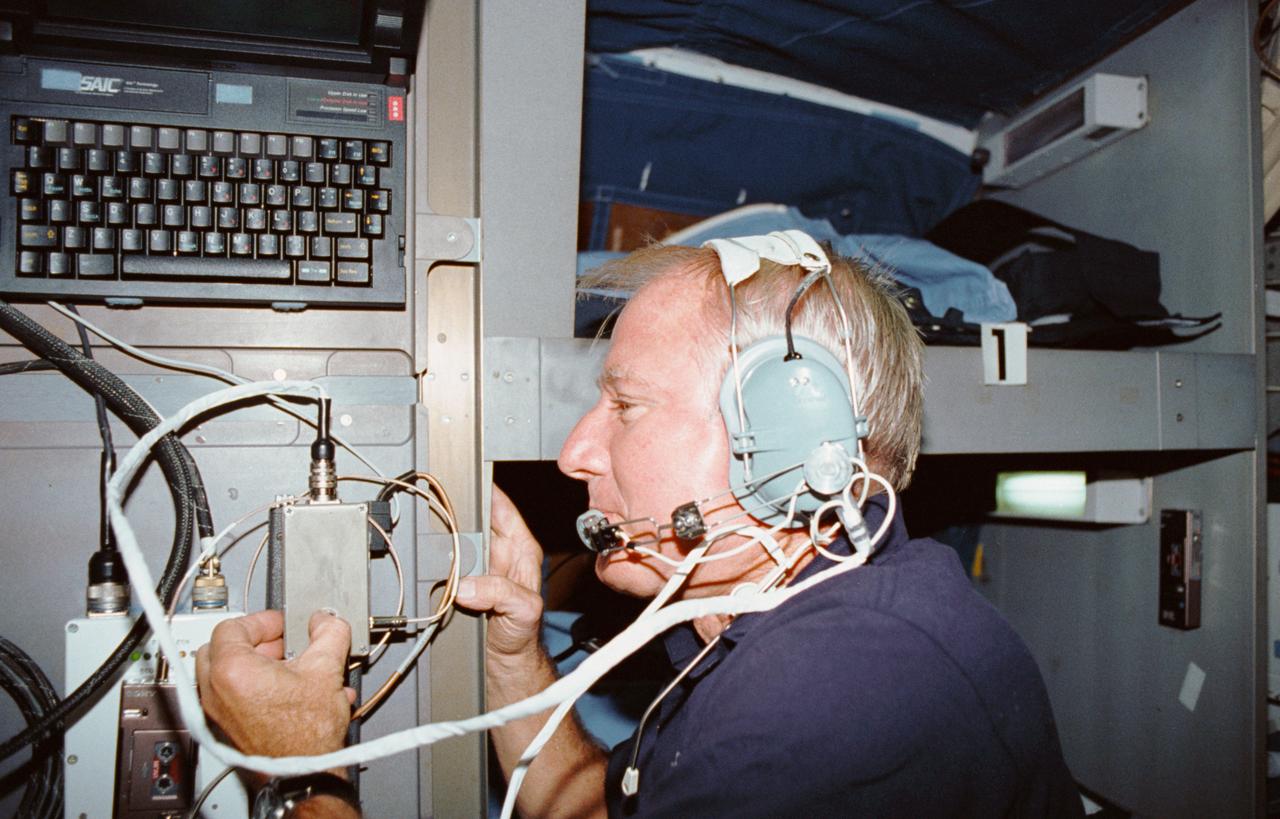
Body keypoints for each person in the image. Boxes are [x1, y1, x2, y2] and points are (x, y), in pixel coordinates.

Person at [198, 238, 1083, 818]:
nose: (575, 452)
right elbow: (590, 806)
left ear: (789, 439)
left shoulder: (837, 687)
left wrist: (301, 771)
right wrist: (515, 656)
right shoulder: (761, 624)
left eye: (626, 406)